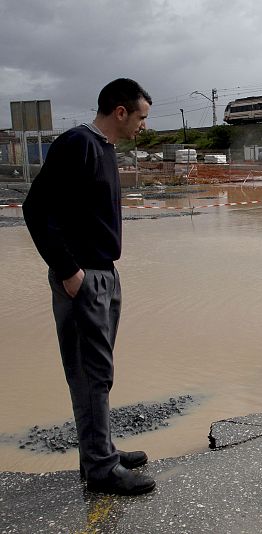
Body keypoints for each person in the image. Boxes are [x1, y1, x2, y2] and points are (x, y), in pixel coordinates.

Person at [22, 79, 156, 496]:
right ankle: (100, 469)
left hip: (103, 273)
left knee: (96, 371)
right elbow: (36, 208)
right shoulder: (78, 143)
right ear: (120, 111)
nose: (143, 127)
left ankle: (100, 453)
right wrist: (68, 271)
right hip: (82, 276)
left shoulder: (104, 149)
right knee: (91, 373)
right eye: (141, 117)